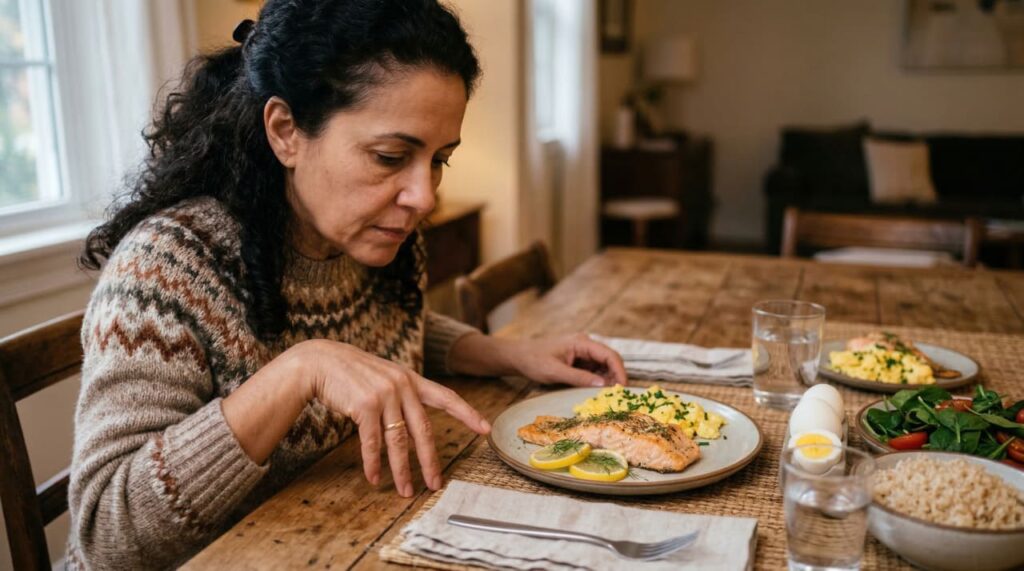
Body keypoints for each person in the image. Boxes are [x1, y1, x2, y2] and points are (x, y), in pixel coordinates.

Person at [66, 1, 626, 568]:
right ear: (285, 131)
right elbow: (109, 536)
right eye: (390, 156)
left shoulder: (369, 231)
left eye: (439, 160)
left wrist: (507, 352)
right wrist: (301, 370)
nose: (423, 197)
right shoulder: (166, 268)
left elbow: (377, 328)